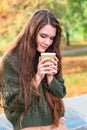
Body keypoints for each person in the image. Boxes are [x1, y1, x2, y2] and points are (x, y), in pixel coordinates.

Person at [0, 9, 67, 130]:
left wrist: (50, 79)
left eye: (52, 38)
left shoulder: (51, 54)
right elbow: (12, 104)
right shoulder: (11, 60)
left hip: (55, 121)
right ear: (32, 32)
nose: (47, 42)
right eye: (43, 36)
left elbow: (61, 93)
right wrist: (37, 78)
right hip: (28, 124)